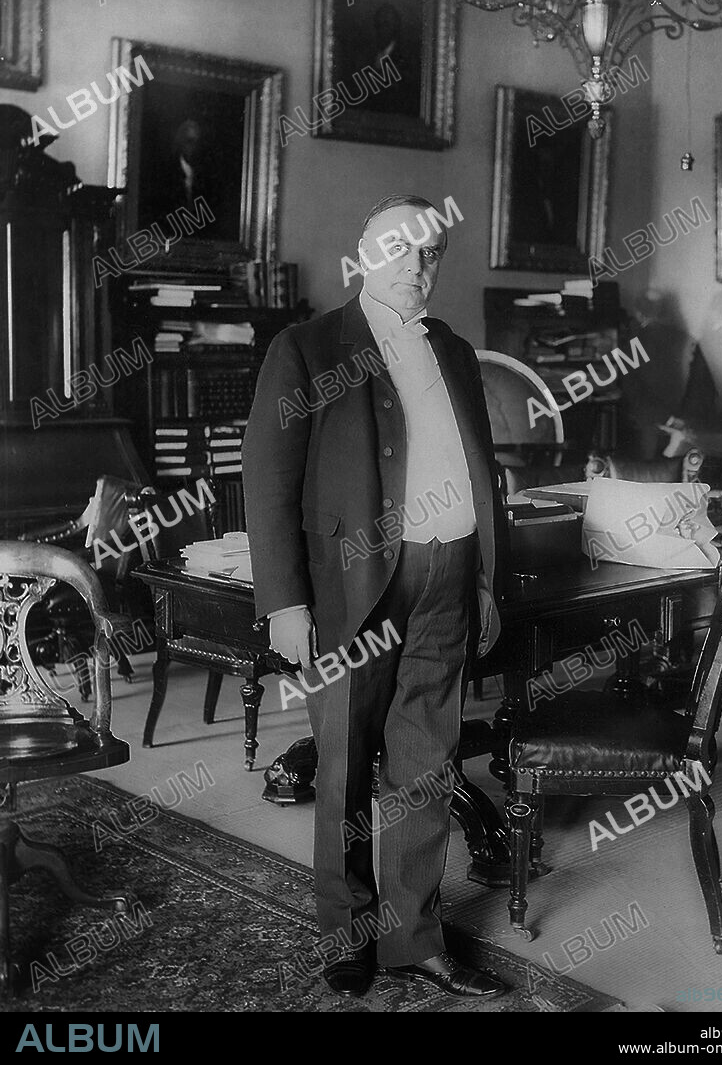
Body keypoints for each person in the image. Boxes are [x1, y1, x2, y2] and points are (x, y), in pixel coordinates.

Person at [242, 194, 510, 1000]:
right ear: (364, 254)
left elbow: (480, 471)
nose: (418, 265)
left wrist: (488, 578)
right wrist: (285, 602)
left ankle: (414, 939)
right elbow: (267, 478)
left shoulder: (454, 351)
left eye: (432, 252)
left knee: (426, 763)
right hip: (351, 589)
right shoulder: (307, 347)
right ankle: (349, 936)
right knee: (346, 766)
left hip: (449, 575)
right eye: (401, 249)